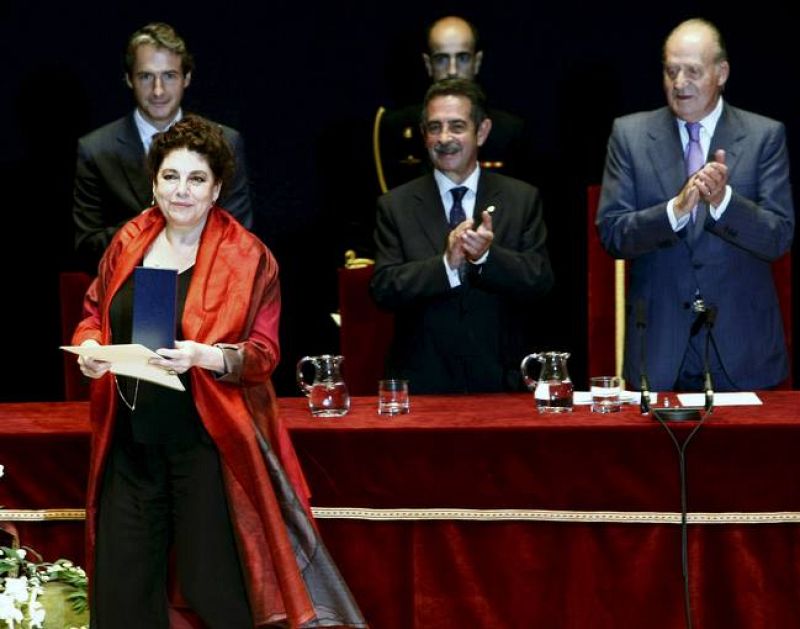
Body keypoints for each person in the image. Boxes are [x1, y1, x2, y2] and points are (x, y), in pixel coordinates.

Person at [72, 115, 365, 628]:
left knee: (216, 591)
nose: (181, 191)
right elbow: (94, 312)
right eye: (170, 177)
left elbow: (264, 354)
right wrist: (90, 346)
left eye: (196, 179)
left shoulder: (247, 256)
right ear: (153, 182)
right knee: (121, 594)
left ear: (216, 190)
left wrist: (205, 356)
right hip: (132, 442)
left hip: (207, 447)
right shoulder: (130, 238)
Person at [597, 18, 794, 391]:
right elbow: (613, 234)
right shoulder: (630, 135)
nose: (679, 82)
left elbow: (778, 237)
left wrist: (724, 202)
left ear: (722, 73)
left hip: (742, 348)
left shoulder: (764, 136)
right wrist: (674, 211)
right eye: (671, 71)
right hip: (658, 349)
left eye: (693, 71)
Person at [370, 79, 553, 394]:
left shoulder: (521, 198)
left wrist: (485, 257)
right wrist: (446, 264)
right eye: (434, 127)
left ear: (481, 132)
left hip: (501, 385)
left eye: (456, 126)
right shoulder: (395, 205)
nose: (444, 138)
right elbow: (383, 288)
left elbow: (539, 281)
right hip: (423, 387)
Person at [73, 22, 253, 273]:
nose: (158, 90)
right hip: (128, 285)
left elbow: (241, 240)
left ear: (186, 78)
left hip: (209, 285)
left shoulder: (226, 142)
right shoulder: (95, 149)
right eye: (146, 76)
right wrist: (151, 223)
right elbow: (85, 247)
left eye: (169, 76)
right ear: (129, 79)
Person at [374, 16, 529, 195]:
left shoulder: (509, 130)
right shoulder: (397, 126)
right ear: (428, 64)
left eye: (462, 58)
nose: (452, 70)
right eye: (442, 59)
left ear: (477, 62)